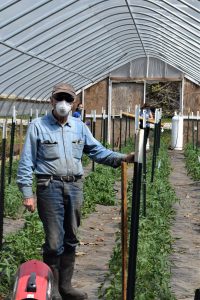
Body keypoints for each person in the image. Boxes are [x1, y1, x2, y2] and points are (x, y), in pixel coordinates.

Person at [17, 83, 134, 300]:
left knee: (71, 237)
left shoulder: (80, 127)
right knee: (53, 241)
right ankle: (51, 290)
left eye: (68, 99)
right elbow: (26, 161)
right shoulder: (38, 126)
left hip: (74, 186)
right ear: (51, 100)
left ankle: (65, 287)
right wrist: (27, 193)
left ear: (74, 103)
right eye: (59, 98)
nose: (63, 103)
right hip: (48, 186)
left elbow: (97, 151)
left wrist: (122, 158)